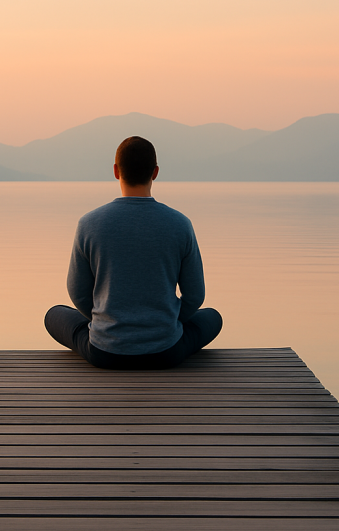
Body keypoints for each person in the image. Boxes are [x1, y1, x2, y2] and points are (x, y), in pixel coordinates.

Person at [44, 136, 223, 369]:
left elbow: (77, 292)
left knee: (54, 314)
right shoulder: (180, 224)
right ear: (155, 172)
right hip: (166, 352)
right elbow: (195, 296)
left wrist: (107, 321)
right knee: (212, 317)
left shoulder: (89, 223)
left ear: (116, 171)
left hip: (105, 351)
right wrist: (165, 322)